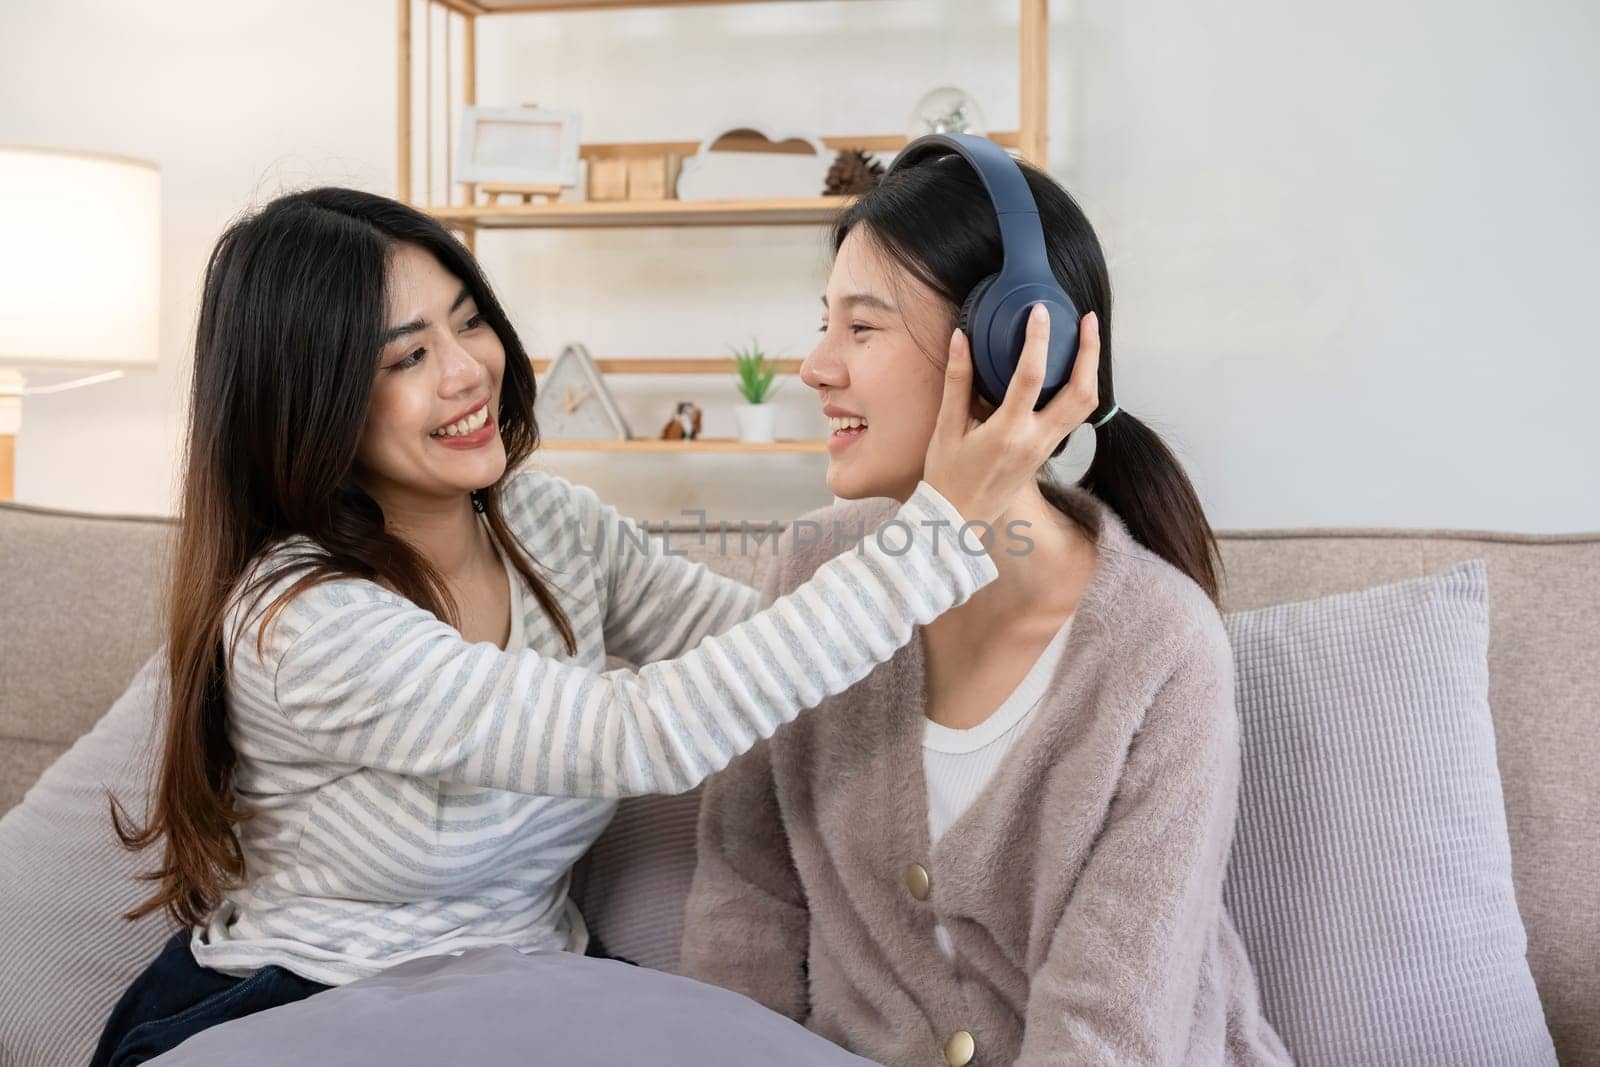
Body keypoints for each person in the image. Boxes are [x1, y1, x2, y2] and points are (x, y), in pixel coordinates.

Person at [90, 186, 1097, 1067]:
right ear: (309, 401)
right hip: (315, 1004)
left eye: (468, 320)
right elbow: (640, 732)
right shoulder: (300, 620)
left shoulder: (548, 524)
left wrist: (1007, 598)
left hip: (535, 985)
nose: (466, 370)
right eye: (406, 356)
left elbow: (752, 647)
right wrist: (933, 532)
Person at [679, 151, 1291, 1064]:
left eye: (863, 328)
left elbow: (1108, 1031)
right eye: (824, 324)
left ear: (1014, 344)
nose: (814, 367)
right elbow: (744, 910)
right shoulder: (812, 574)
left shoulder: (1158, 648)